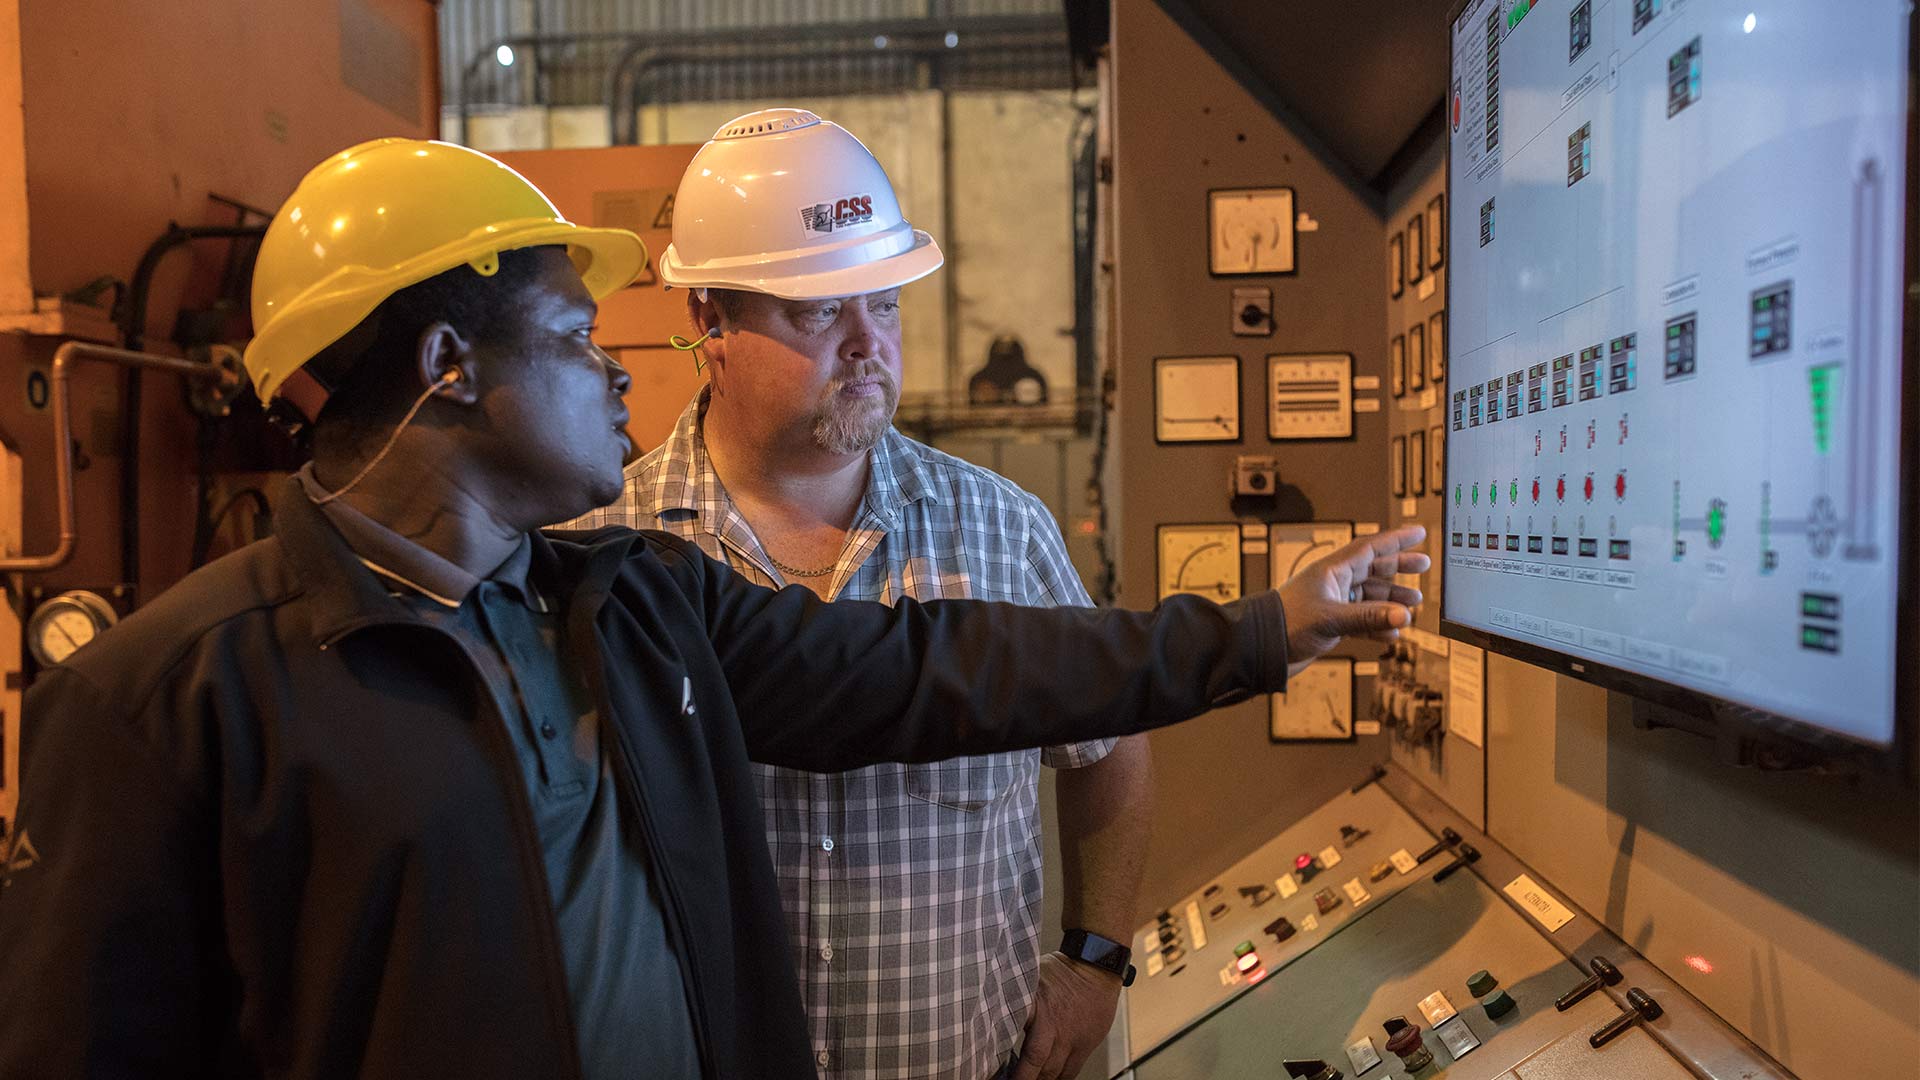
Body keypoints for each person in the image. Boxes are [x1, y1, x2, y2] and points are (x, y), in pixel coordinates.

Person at [0, 138, 1428, 1080]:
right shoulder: (161, 702)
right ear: (448, 365)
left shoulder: (621, 605)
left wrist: (1259, 630)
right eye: (574, 341)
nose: (615, 374)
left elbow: (941, 668)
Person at [569, 108, 1136, 1080]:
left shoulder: (1004, 536)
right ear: (710, 318)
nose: (869, 343)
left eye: (886, 303)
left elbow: (1109, 742)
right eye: (820, 311)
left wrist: (1096, 961)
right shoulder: (601, 549)